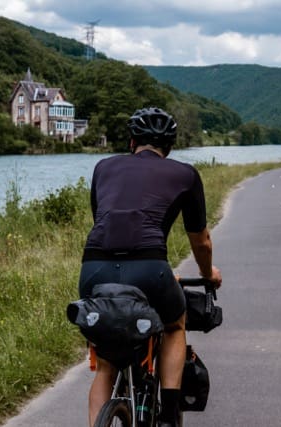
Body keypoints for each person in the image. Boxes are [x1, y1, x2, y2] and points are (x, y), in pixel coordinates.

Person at [78, 107, 222, 427]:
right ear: (169, 147)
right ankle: (170, 415)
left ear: (132, 142)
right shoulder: (184, 174)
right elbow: (201, 241)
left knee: (106, 365)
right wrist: (209, 273)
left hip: (94, 268)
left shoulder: (103, 167)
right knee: (174, 324)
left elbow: (104, 220)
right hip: (150, 270)